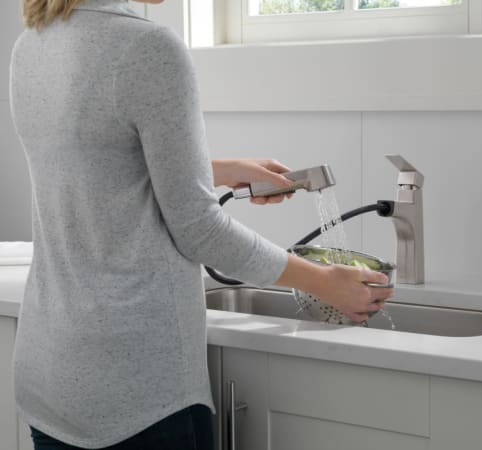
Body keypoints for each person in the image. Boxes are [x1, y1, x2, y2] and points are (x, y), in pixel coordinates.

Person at [9, 0, 394, 449]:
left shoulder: (33, 41)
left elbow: (96, 173)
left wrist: (218, 170)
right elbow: (200, 231)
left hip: (51, 376)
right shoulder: (147, 47)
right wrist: (322, 281)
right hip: (136, 387)